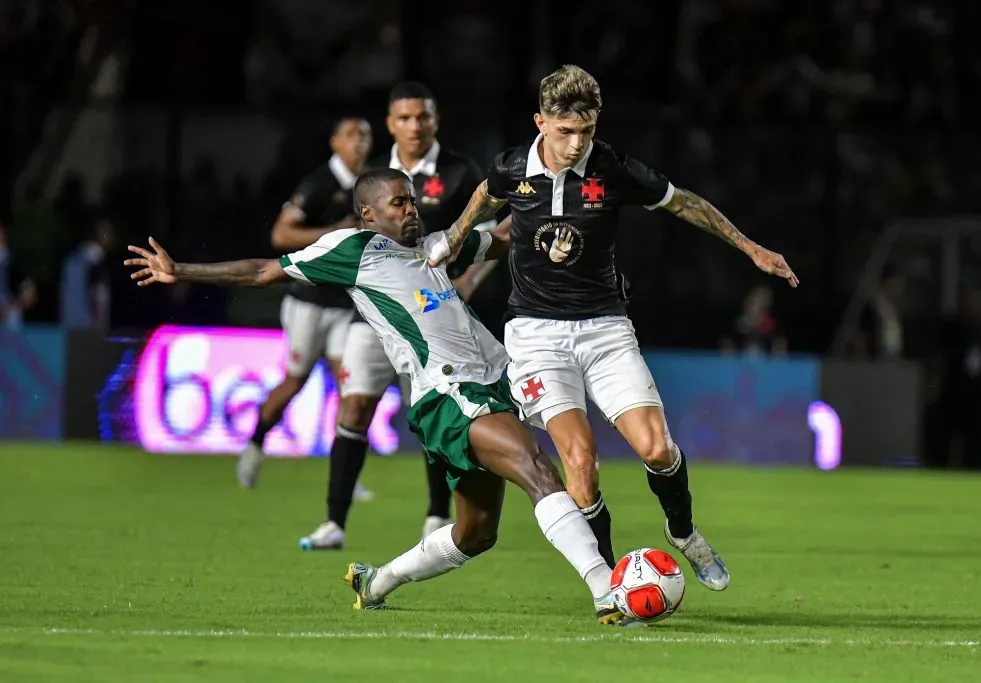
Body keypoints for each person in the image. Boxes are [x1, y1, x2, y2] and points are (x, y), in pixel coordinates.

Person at [124, 168, 630, 625]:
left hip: (498, 382)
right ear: (368, 214)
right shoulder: (352, 249)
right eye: (398, 203)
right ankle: (605, 588)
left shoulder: (437, 245)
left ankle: (378, 580)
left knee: (476, 534)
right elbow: (263, 270)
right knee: (536, 468)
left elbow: (503, 239)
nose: (411, 209)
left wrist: (559, 217)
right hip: (449, 394)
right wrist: (182, 270)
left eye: (412, 201)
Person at [426, 64, 798, 592]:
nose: (577, 144)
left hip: (605, 329)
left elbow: (684, 202)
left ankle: (685, 532)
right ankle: (611, 585)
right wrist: (456, 233)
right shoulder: (514, 166)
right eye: (565, 132)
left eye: (587, 130)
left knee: (656, 450)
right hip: (535, 335)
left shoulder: (614, 169)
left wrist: (750, 247)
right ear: (541, 122)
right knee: (579, 463)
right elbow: (488, 192)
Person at [298, 82, 503, 551]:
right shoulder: (371, 176)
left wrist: (463, 287)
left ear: (436, 121)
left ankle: (435, 515)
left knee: (434, 407)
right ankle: (334, 522)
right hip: (374, 316)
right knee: (354, 406)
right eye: (405, 118)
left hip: (433, 319)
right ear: (390, 124)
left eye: (423, 117)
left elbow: (485, 239)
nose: (415, 126)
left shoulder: (458, 170)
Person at [238, 117, 375, 502]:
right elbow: (281, 235)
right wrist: (331, 233)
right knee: (294, 382)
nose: (360, 142)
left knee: (351, 387)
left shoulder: (369, 185)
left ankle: (346, 474)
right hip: (308, 302)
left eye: (365, 135)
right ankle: (254, 445)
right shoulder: (319, 184)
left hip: (346, 304)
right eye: (351, 135)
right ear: (335, 142)